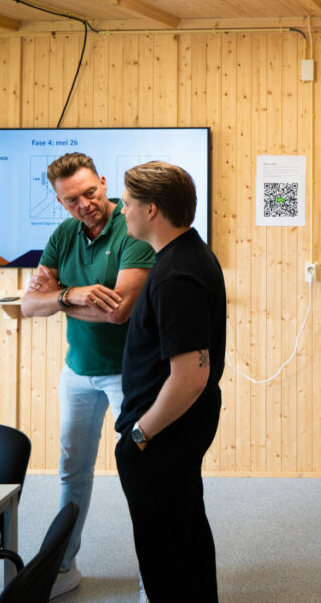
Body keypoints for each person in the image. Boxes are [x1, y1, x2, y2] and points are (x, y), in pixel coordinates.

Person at [22, 152, 154, 597]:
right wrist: (73, 294)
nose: (85, 204)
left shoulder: (132, 226)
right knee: (71, 471)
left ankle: (153, 577)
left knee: (142, 474)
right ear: (61, 203)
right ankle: (63, 569)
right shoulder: (63, 235)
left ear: (103, 181)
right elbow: (28, 306)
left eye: (90, 193)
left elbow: (121, 312)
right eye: (71, 200)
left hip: (128, 375)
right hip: (78, 373)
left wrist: (58, 297)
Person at [115, 161, 226, 602]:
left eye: (126, 204)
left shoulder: (175, 274)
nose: (121, 211)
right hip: (177, 429)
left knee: (165, 554)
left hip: (163, 433)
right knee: (185, 532)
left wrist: (141, 435)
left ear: (152, 210)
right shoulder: (190, 254)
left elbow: (191, 377)